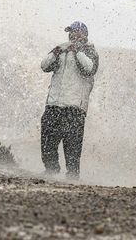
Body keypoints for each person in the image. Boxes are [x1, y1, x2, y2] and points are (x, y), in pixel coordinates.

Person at [40, 21, 99, 179]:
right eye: (70, 32)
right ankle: (51, 171)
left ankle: (72, 178)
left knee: (72, 147)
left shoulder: (90, 51)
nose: (71, 35)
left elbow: (89, 69)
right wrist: (55, 52)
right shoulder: (62, 49)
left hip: (75, 108)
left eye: (74, 32)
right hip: (54, 104)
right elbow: (44, 66)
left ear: (84, 35)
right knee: (47, 141)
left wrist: (78, 52)